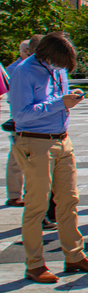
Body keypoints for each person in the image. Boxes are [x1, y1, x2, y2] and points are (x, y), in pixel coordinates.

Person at [9, 32, 88, 282]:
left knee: (69, 201)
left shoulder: (58, 69)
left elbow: (56, 98)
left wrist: (70, 96)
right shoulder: (24, 71)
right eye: (59, 64)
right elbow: (20, 115)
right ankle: (34, 264)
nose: (60, 69)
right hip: (35, 141)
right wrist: (59, 103)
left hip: (62, 139)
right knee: (37, 205)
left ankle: (74, 256)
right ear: (46, 55)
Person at [5, 37, 33, 207]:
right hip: (20, 117)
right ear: (20, 51)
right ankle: (14, 194)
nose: (28, 53)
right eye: (25, 50)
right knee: (16, 156)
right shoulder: (14, 69)